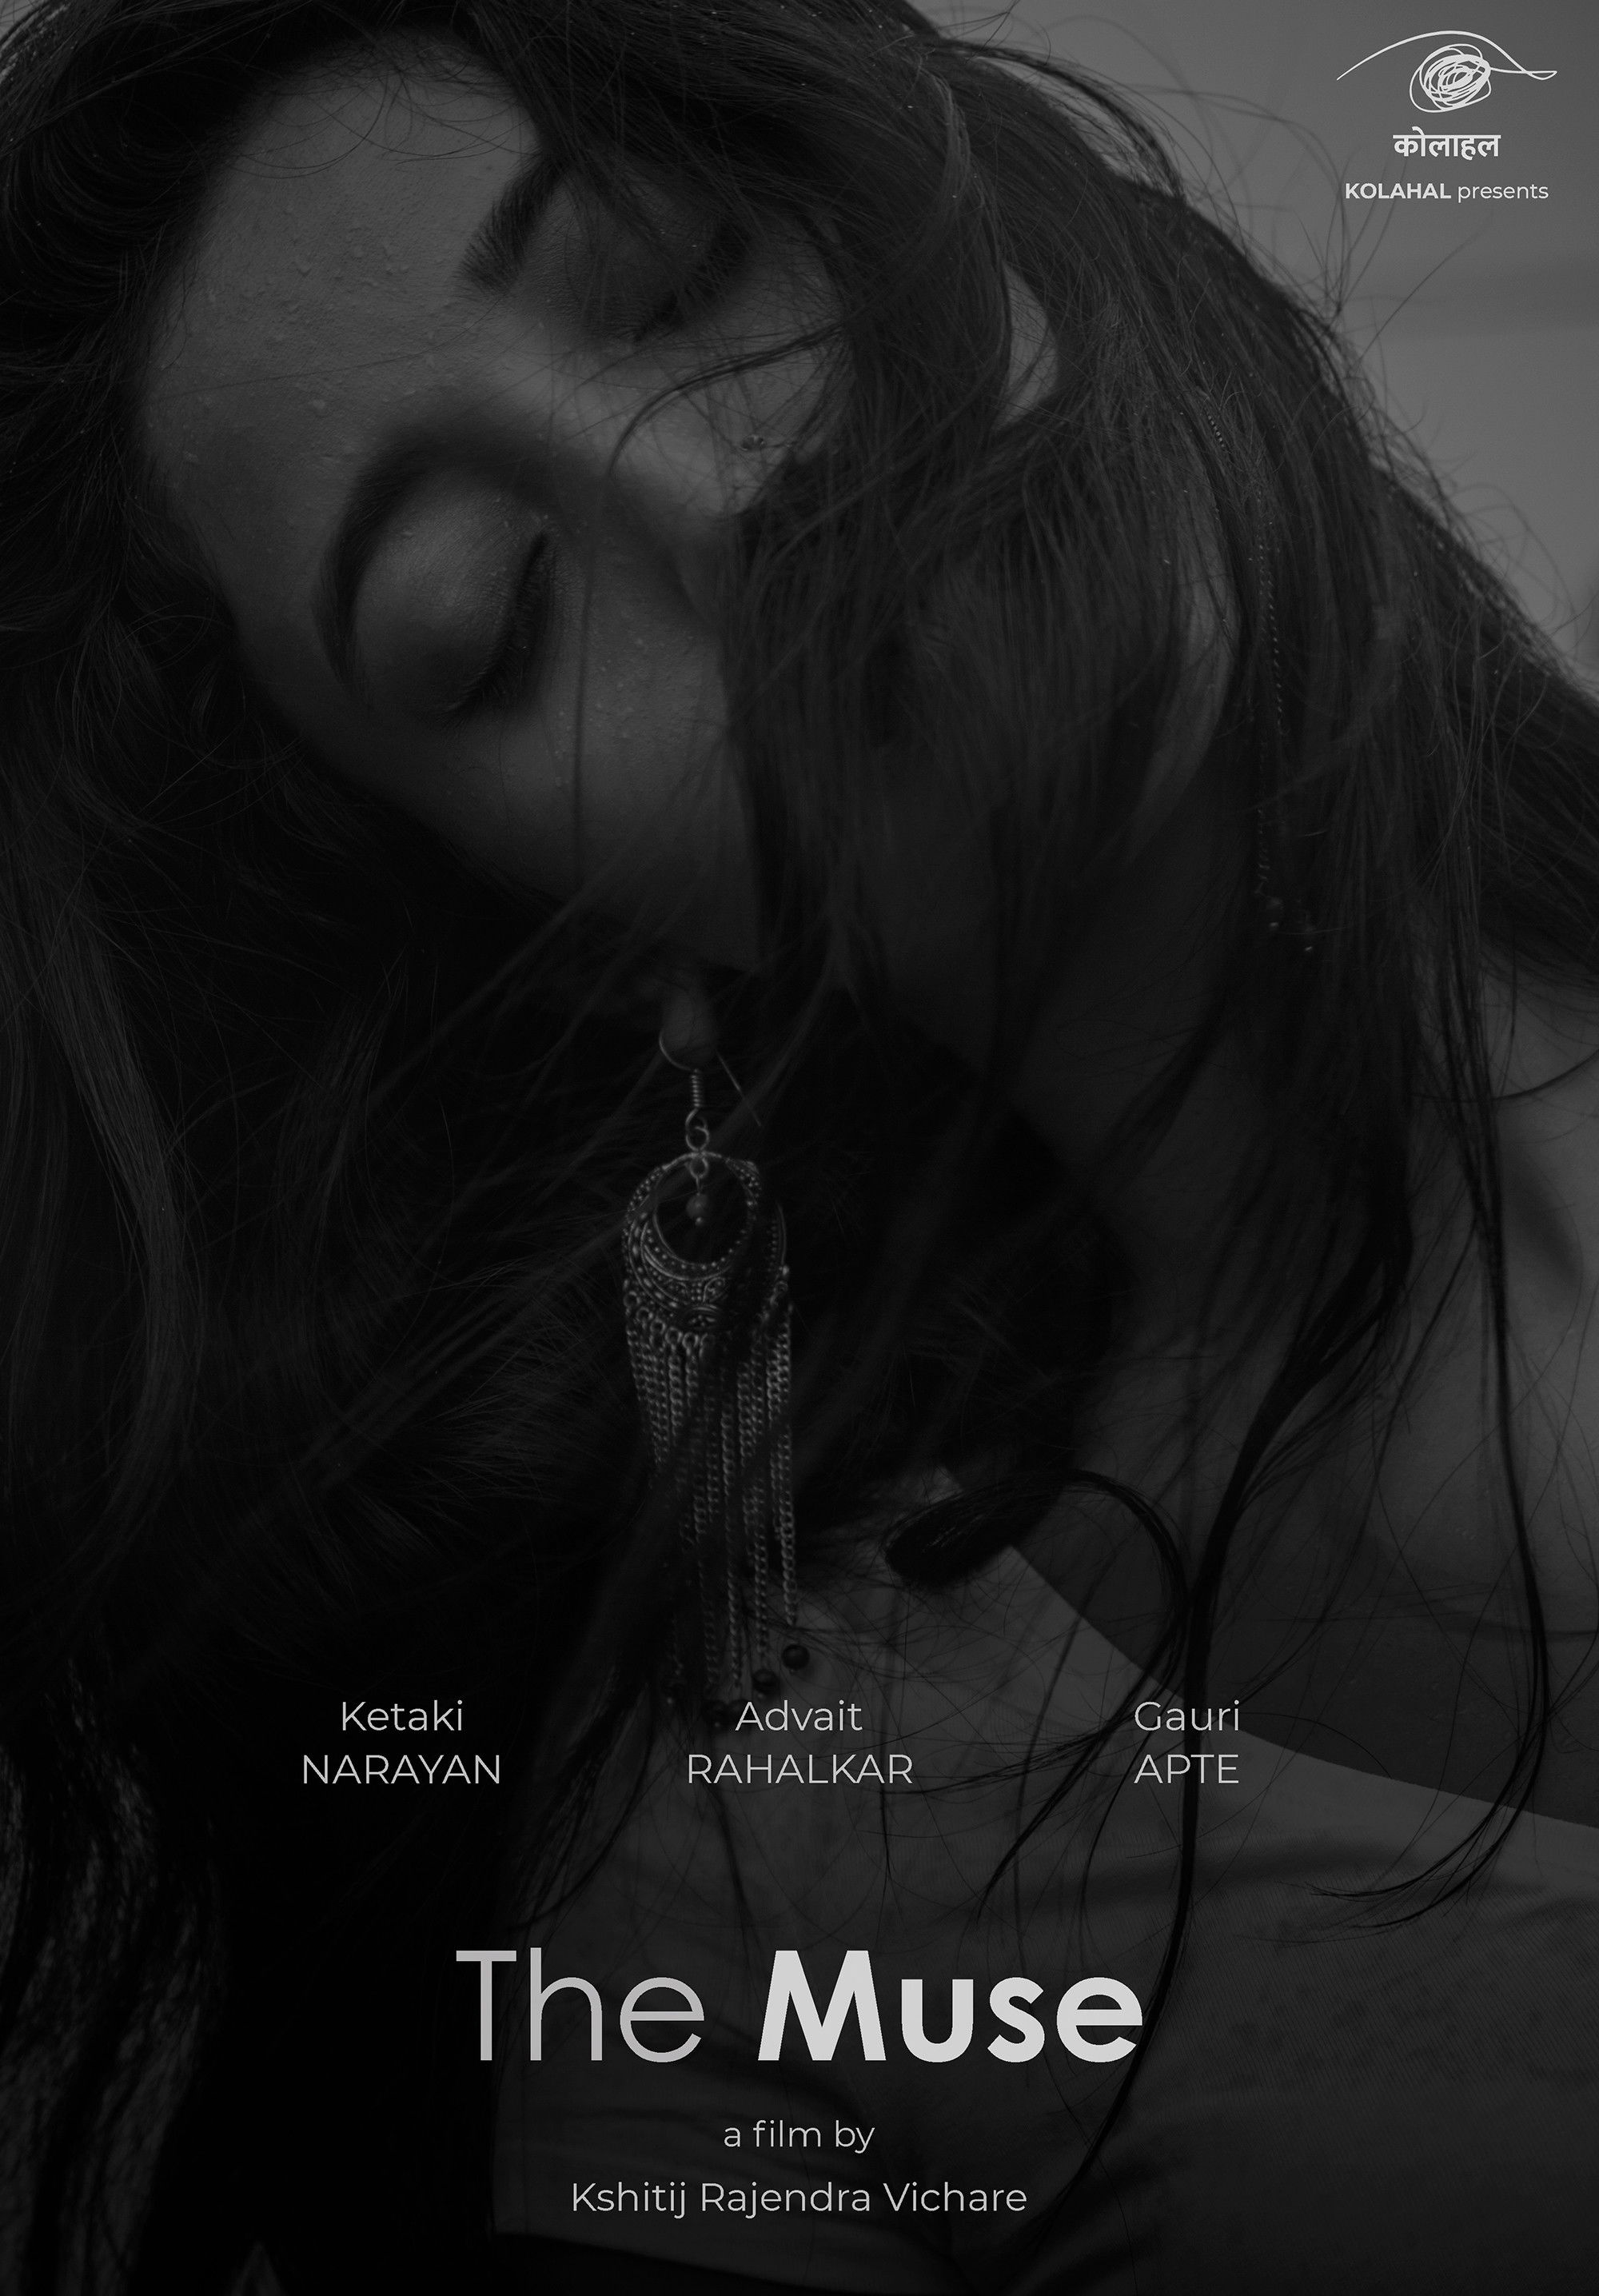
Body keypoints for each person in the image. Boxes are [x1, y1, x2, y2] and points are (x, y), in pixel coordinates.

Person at [1, 0, 1597, 2290]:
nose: (726, 502)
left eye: (681, 269)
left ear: (995, 199)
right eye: (494, 621)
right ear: (574, 940)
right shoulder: (747, 1877)